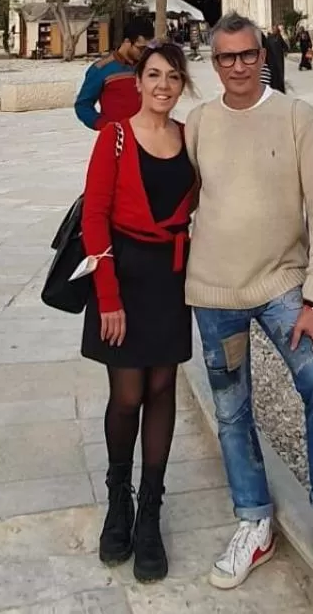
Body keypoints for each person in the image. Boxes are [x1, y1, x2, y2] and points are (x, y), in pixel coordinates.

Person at [185, 13, 313, 600]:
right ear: (214, 62)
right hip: (214, 294)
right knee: (231, 408)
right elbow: (178, 204)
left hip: (282, 289)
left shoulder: (297, 117)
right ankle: (253, 519)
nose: (238, 66)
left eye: (247, 54)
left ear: (262, 54)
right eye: (226, 58)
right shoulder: (199, 123)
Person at [82, 41, 197, 584]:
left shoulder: (189, 137)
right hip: (123, 274)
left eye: (173, 77)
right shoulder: (116, 136)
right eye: (154, 75)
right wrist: (108, 296)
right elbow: (95, 218)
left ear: (183, 84)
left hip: (171, 277)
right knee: (127, 395)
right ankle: (118, 500)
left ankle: (150, 511)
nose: (162, 86)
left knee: (162, 389)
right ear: (138, 79)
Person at [74, 13, 155, 129]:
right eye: (141, 48)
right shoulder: (101, 69)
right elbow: (83, 105)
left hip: (148, 135)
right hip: (116, 139)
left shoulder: (148, 66)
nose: (144, 52)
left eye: (148, 48)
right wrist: (103, 125)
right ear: (127, 42)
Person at [264, 23, 288, 94]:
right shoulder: (269, 38)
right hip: (271, 60)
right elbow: (265, 48)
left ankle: (280, 89)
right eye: (273, 29)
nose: (274, 30)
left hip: (279, 60)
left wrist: (285, 51)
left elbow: (285, 46)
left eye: (276, 29)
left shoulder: (279, 37)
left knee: (280, 74)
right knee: (272, 75)